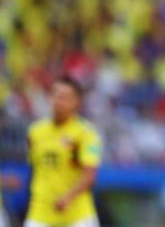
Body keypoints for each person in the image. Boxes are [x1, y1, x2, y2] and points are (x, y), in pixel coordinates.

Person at [25, 75, 103, 227]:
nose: (59, 101)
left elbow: (90, 174)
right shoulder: (35, 132)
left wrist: (68, 197)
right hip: (40, 212)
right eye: (55, 95)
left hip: (76, 215)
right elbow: (35, 168)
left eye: (65, 97)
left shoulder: (87, 134)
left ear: (76, 103)